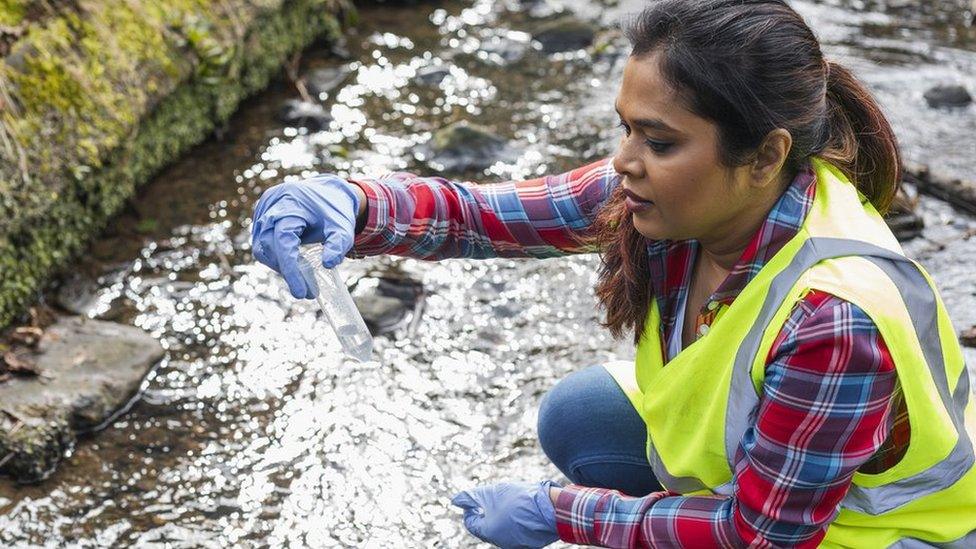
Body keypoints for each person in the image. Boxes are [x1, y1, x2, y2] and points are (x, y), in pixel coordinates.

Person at [251, 0, 976, 546]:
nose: (626, 160)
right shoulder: (678, 195)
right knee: (581, 416)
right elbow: (483, 216)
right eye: (626, 127)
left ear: (764, 154)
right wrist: (353, 203)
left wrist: (562, 512)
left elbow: (759, 535)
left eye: (658, 140)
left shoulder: (833, 318)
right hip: (779, 482)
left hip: (886, 532)